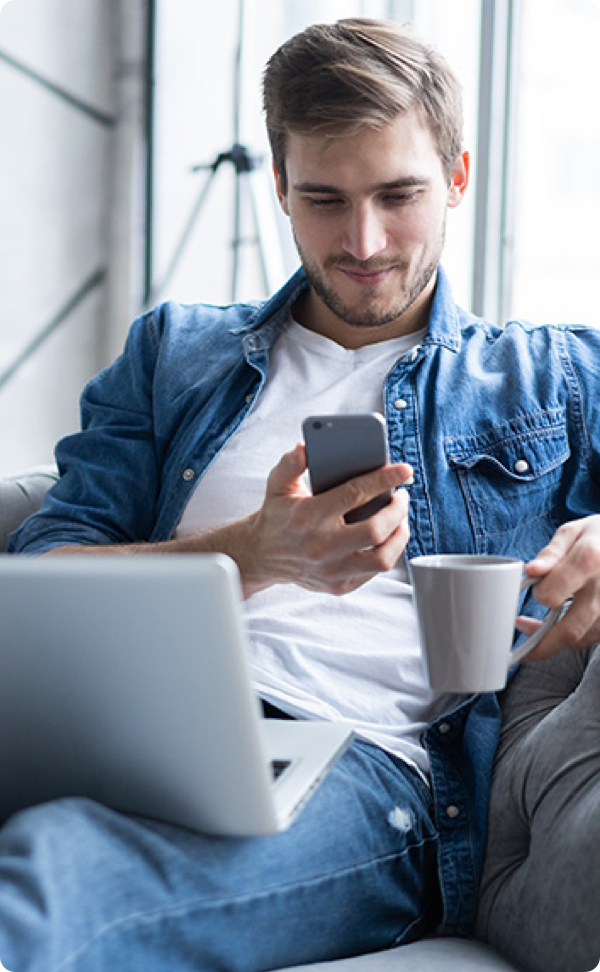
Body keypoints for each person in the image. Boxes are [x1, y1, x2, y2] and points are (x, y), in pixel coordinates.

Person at [2, 16, 600, 972]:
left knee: (54, 879)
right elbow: (42, 573)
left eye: (398, 194)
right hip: (138, 732)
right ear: (278, 187)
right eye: (323, 198)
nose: (364, 242)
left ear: (457, 177)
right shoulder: (174, 354)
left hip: (365, 773)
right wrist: (253, 553)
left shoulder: (552, 376)